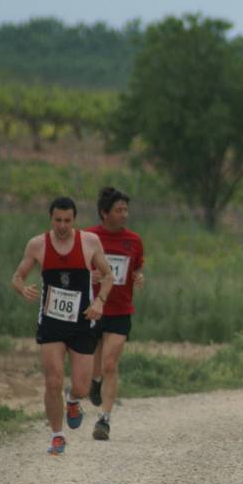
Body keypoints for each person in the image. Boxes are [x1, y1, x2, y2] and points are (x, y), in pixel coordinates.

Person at [11, 196, 113, 456]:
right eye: (58, 220)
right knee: (53, 380)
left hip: (82, 321)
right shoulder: (38, 244)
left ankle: (73, 400)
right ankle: (57, 435)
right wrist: (23, 288)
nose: (62, 226)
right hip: (52, 322)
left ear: (74, 220)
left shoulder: (89, 242)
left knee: (81, 386)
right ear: (51, 219)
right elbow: (17, 276)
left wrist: (100, 301)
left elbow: (108, 276)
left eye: (67, 221)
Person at [86, 186, 145, 442]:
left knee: (111, 363)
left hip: (121, 310)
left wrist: (138, 276)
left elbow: (137, 267)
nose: (124, 214)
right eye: (119, 210)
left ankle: (104, 420)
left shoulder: (133, 240)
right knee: (95, 364)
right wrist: (89, 275)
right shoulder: (88, 237)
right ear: (104, 213)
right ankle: (95, 382)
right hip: (93, 309)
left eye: (126, 209)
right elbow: (75, 268)